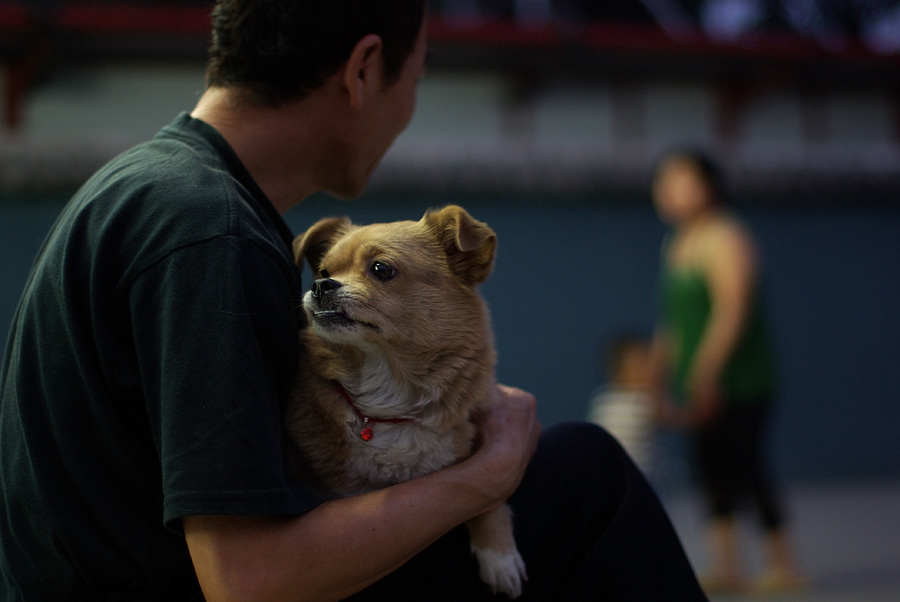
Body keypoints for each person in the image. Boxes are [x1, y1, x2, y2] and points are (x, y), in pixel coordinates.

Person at [0, 2, 707, 600]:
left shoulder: (144, 188)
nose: (410, 106)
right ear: (364, 69)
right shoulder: (208, 230)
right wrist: (486, 476)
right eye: (418, 78)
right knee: (591, 475)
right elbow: (247, 580)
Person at [649, 147, 806, 594]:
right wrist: (658, 372)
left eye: (680, 180)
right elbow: (674, 320)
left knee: (747, 464)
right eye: (665, 182)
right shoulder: (676, 243)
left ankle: (784, 563)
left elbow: (732, 310)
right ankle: (727, 564)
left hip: (742, 378)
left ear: (708, 187)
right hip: (696, 379)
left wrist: (708, 369)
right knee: (710, 468)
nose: (667, 191)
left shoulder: (728, 237)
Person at [587, 333, 657, 476]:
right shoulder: (643, 402)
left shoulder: (602, 401)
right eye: (642, 363)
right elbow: (680, 417)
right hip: (633, 480)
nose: (652, 368)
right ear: (619, 373)